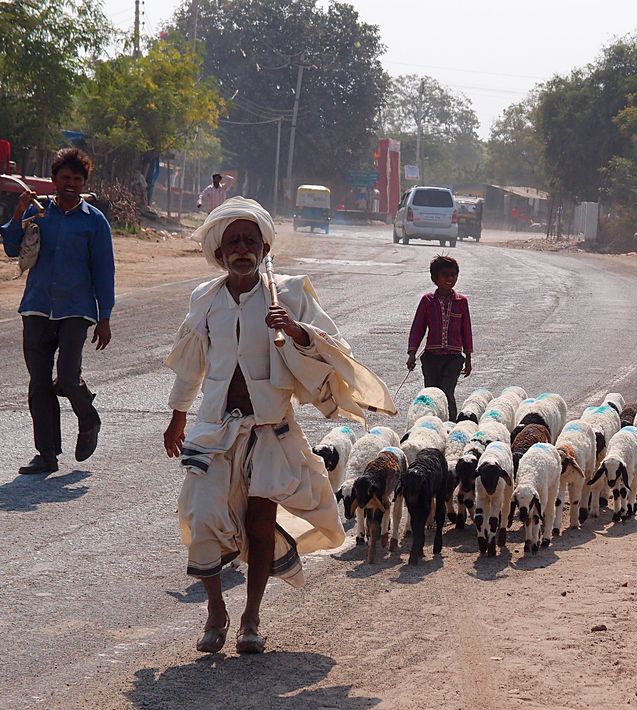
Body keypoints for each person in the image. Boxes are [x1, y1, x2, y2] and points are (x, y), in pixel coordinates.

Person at [162, 197, 395, 654]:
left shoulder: (287, 292)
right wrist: (178, 414)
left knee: (261, 523)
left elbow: (334, 347)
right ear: (219, 252)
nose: (242, 247)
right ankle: (216, 610)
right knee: (203, 516)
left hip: (270, 429)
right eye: (234, 241)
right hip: (214, 430)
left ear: (264, 246)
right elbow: (191, 364)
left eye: (251, 240)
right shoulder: (204, 300)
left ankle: (250, 618)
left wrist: (295, 327)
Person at [1, 148, 114, 475]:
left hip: (76, 311)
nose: (71, 184)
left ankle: (88, 418)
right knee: (39, 383)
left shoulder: (94, 222)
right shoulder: (37, 213)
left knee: (66, 375)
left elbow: (104, 271)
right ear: (54, 180)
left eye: (77, 179)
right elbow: (10, 247)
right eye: (65, 178)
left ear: (84, 183)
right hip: (36, 307)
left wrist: (104, 317)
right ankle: (46, 454)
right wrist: (18, 211)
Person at [406, 255, 473, 422]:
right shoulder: (427, 301)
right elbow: (418, 328)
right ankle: (429, 423)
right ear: (434, 278)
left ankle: (450, 425)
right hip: (431, 358)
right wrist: (412, 353)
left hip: (454, 358)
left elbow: (466, 330)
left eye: (453, 275)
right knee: (431, 393)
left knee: (446, 391)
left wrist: (469, 358)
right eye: (445, 275)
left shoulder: (461, 302)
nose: (450, 279)